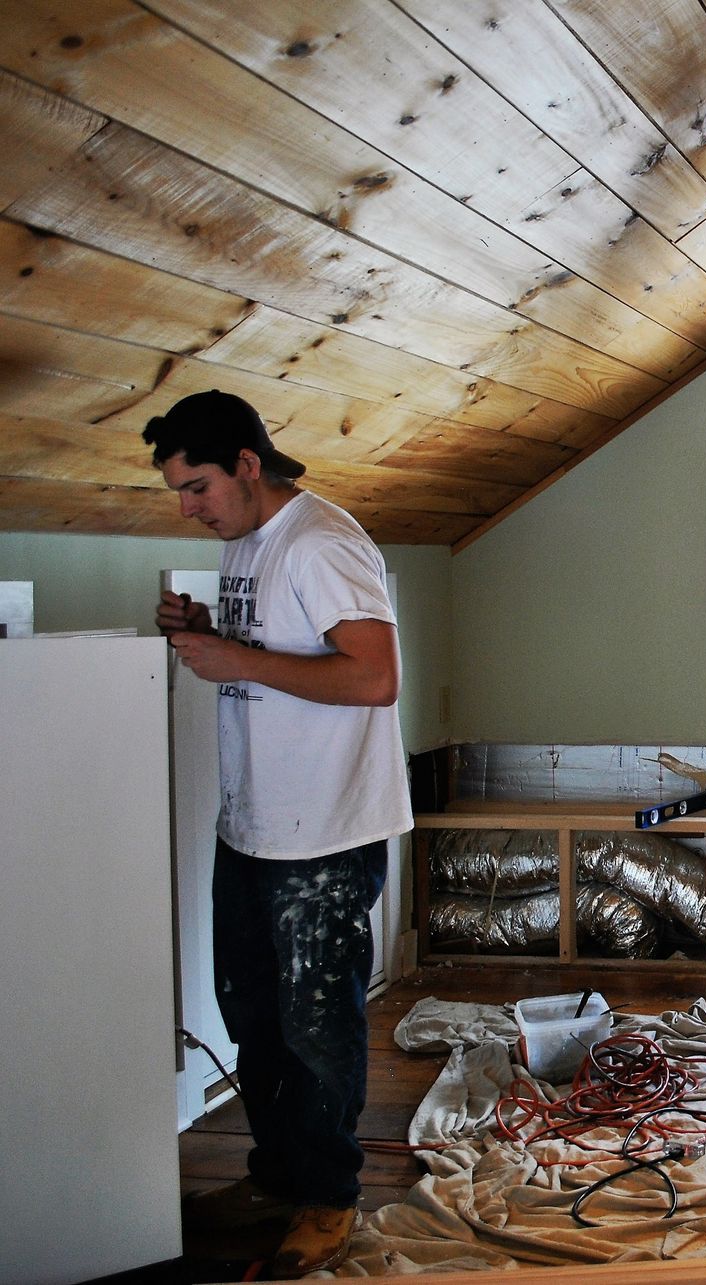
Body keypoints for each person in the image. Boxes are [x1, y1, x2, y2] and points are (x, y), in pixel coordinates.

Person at [145, 390, 411, 1277]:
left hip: (324, 834)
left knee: (317, 1026)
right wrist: (213, 635)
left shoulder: (322, 542)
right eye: (180, 491)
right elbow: (291, 653)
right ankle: (276, 1174)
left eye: (198, 487)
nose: (188, 507)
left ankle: (329, 1196)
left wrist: (237, 659)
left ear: (248, 465)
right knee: (252, 1016)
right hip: (254, 826)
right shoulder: (248, 542)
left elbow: (375, 678)